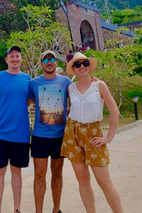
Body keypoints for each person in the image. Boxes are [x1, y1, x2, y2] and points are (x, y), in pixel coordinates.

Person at [61, 52, 123, 213]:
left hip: (93, 133)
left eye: (85, 63)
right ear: (73, 68)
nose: (82, 66)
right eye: (77, 64)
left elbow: (114, 111)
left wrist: (109, 137)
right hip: (73, 134)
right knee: (82, 179)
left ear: (89, 66)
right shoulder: (70, 88)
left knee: (104, 181)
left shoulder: (99, 85)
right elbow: (74, 108)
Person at [0, 45, 31, 213]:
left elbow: (31, 99)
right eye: (11, 56)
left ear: (21, 59)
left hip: (21, 135)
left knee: (17, 172)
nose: (14, 59)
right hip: (0, 135)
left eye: (17, 56)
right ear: (6, 59)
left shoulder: (27, 79)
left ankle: (17, 209)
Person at [28, 50, 72, 213]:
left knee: (57, 172)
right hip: (40, 136)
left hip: (60, 136)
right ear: (41, 64)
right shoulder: (33, 83)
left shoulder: (66, 81)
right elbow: (24, 102)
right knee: (39, 174)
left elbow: (76, 98)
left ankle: (56, 210)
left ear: (57, 63)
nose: (49, 62)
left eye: (52, 59)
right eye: (45, 60)